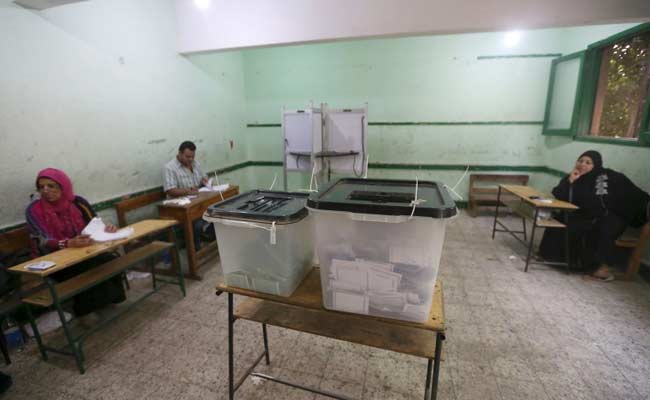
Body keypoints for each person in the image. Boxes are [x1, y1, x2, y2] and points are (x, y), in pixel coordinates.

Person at [25, 168, 126, 316]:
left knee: (109, 260)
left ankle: (111, 299)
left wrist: (106, 229)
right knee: (86, 269)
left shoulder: (78, 202)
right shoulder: (34, 210)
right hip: (52, 259)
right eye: (41, 187)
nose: (45, 190)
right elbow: (40, 240)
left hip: (82, 250)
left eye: (51, 186)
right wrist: (66, 243)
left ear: (63, 186)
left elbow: (94, 224)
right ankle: (85, 311)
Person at [539, 150, 650, 281]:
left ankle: (588, 266)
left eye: (588, 163)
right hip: (583, 214)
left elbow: (627, 195)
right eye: (580, 161)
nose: (582, 164)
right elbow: (559, 194)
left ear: (596, 165)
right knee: (560, 219)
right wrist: (570, 181)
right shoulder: (573, 177)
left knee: (585, 226)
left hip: (607, 216)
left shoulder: (608, 177)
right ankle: (552, 257)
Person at [163, 141, 213, 249]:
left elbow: (203, 177)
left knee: (216, 211)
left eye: (193, 156)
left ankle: (208, 238)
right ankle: (195, 248)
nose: (190, 159)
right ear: (180, 153)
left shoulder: (196, 164)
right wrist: (188, 191)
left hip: (197, 202)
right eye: (187, 157)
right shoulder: (170, 168)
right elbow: (170, 190)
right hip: (180, 208)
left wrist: (205, 181)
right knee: (197, 223)